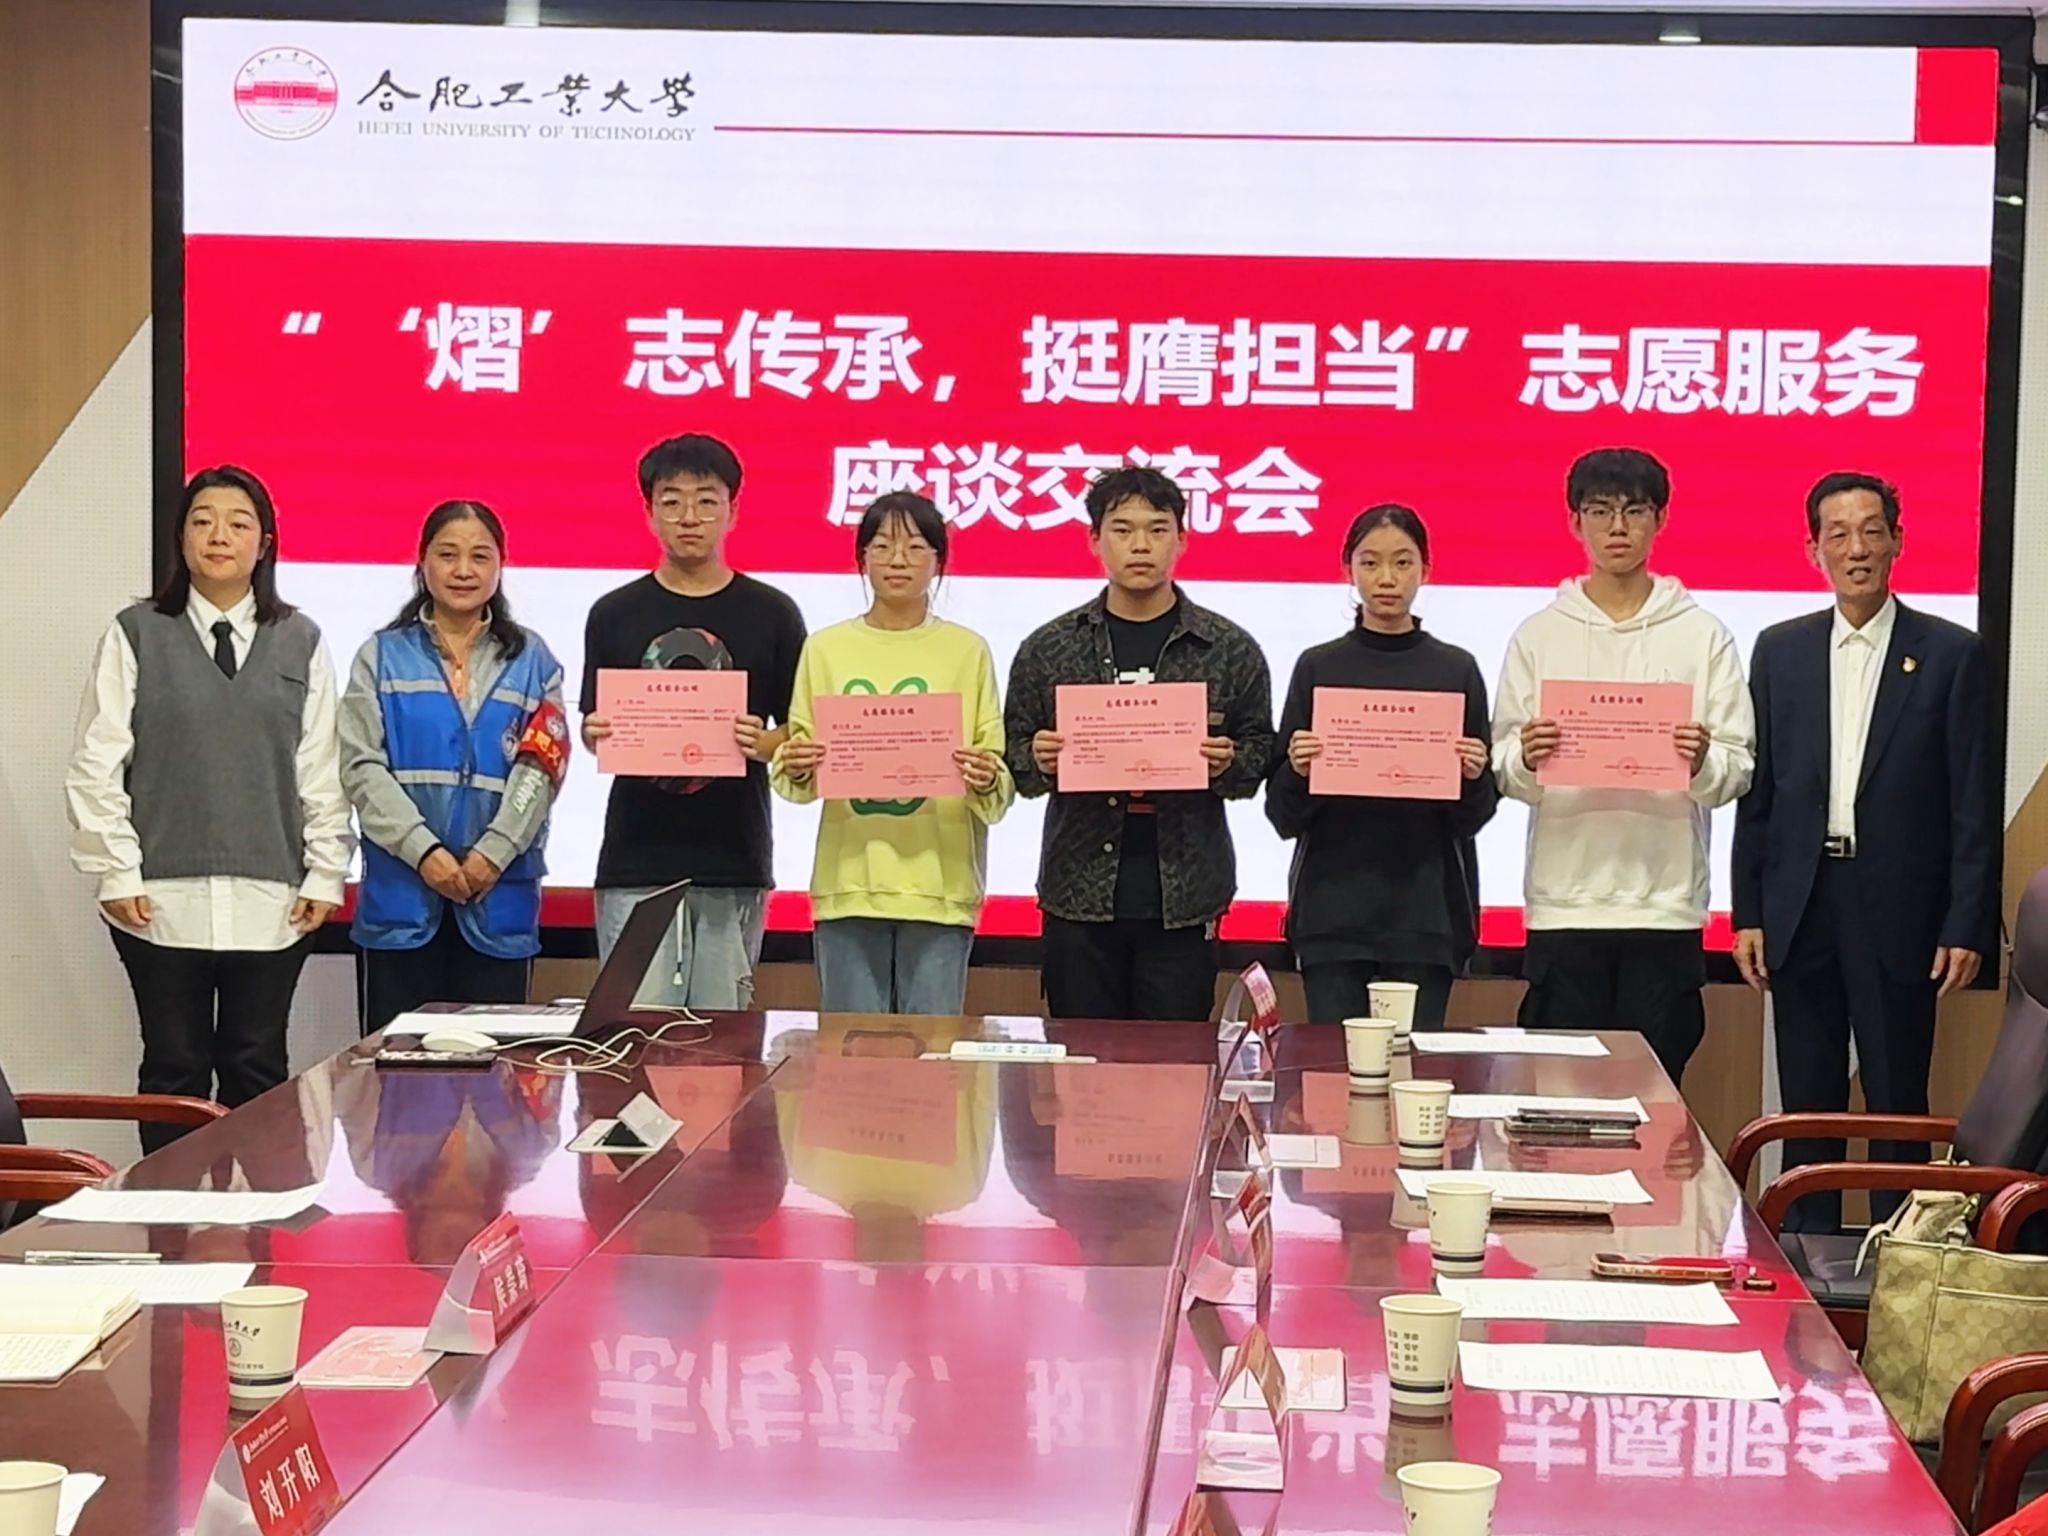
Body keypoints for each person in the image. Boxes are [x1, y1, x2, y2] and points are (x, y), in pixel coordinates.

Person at [1733, 472, 1997, 1231]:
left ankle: (1896, 1262)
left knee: (1896, 1100)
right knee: (1807, 1102)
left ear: (1898, 542)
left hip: (1900, 909)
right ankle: (1804, 1258)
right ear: (1813, 548)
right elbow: (1760, 793)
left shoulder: (1950, 654)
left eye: (1872, 531)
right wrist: (1749, 910)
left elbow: (1972, 802)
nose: (1857, 549)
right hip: (1801, 900)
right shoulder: (1780, 651)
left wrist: (1966, 922)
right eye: (1838, 534)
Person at [65, 466, 351, 1149]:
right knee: (174, 1068)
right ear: (181, 538)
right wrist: (116, 870)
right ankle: (170, 1215)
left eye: (238, 522)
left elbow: (321, 766)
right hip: (158, 898)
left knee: (258, 1066)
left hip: (274, 901)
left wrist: (325, 871)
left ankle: (255, 1215)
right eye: (202, 520)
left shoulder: (302, 639)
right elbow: (96, 761)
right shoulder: (135, 633)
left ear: (265, 543)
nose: (219, 535)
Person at [1491, 448, 1754, 1082]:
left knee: (1656, 1099)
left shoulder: (1702, 634)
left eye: (1634, 511)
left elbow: (1737, 767)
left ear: (1660, 519)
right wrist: (1525, 756)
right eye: (1600, 511)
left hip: (1665, 909)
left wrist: (1701, 761)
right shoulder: (1539, 634)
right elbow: (1502, 767)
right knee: (1558, 1097)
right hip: (1565, 906)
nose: (1617, 527)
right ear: (1574, 521)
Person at [1004, 464, 1276, 1022]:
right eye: (1123, 530)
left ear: (1182, 539)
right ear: (1094, 539)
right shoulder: (1050, 648)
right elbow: (1014, 754)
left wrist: (1228, 761)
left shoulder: (1228, 648)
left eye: (1157, 529)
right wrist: (1037, 757)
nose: (1141, 545)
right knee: (1081, 1061)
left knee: (1173, 1063)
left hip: (1185, 894)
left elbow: (1258, 754)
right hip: (1078, 892)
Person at [580, 434, 807, 1010]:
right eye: (672, 500)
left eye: (707, 501)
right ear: (649, 511)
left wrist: (765, 742)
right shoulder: (613, 613)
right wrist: (596, 734)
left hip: (733, 853)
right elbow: (592, 726)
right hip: (636, 852)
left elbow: (800, 729)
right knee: (630, 1032)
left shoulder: (773, 613)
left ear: (733, 510)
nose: (689, 517)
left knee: (722, 1037)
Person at [773, 493, 1012, 1014]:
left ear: (939, 560)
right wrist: (796, 763)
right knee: (850, 1051)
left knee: (935, 1053)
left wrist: (986, 774)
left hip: (939, 885)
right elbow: (796, 773)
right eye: (881, 546)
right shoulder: (825, 648)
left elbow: (996, 772)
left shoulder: (967, 649)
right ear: (861, 558)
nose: (898, 559)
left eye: (915, 547)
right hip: (849, 881)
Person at [342, 500, 570, 1035]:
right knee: (396, 1073)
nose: (463, 570)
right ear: (422, 561)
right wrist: (425, 852)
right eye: (448, 555)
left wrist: (493, 853)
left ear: (500, 565)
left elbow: (542, 765)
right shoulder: (381, 656)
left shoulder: (533, 660)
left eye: (479, 556)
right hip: (401, 900)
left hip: (499, 898)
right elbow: (361, 764)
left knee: (496, 1073)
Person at [1267, 505, 1498, 1028]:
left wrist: (1472, 776)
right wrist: (1298, 770)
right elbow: (1281, 815)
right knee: (1331, 1071)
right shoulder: (1318, 666)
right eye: (1370, 563)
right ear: (1348, 569)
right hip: (1333, 917)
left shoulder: (1455, 669)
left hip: (1427, 916)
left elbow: (1474, 816)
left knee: (1411, 1067)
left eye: (1403, 562)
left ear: (1426, 570)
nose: (1387, 578)